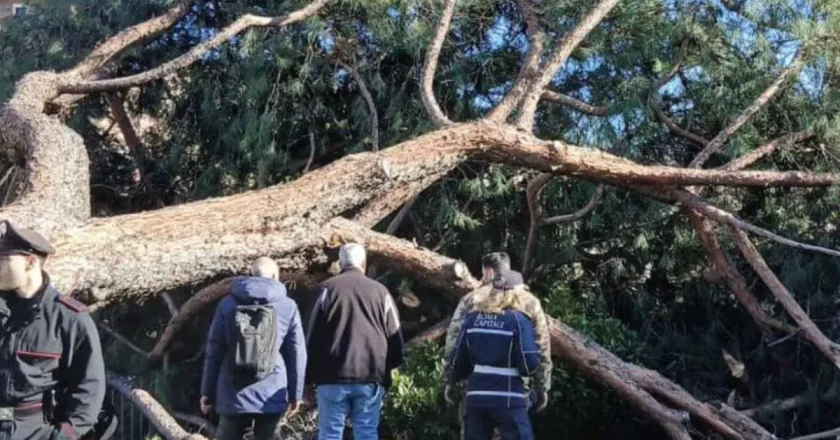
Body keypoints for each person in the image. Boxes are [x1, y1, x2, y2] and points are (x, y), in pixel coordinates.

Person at [0, 220, 106, 440]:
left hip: (37, 430)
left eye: (3, 260)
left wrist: (63, 435)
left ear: (29, 263)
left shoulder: (70, 319)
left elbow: (89, 387)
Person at [443, 252, 552, 439]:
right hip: (515, 389)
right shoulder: (530, 302)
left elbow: (454, 342)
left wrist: (449, 379)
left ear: (489, 272)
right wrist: (543, 386)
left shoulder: (472, 300)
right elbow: (541, 347)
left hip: (475, 386)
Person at [305, 243, 405, 440]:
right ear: (364, 263)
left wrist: (308, 377)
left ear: (340, 263)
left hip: (331, 375)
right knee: (366, 433)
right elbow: (395, 335)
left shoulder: (326, 289)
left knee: (330, 434)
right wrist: (391, 366)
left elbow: (309, 335)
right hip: (370, 375)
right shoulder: (380, 292)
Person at [200, 257, 307, 440]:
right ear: (275, 276)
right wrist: (295, 393)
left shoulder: (227, 304)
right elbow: (296, 352)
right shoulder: (287, 306)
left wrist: (207, 393)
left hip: (233, 390)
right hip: (271, 390)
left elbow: (214, 350)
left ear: (251, 274)